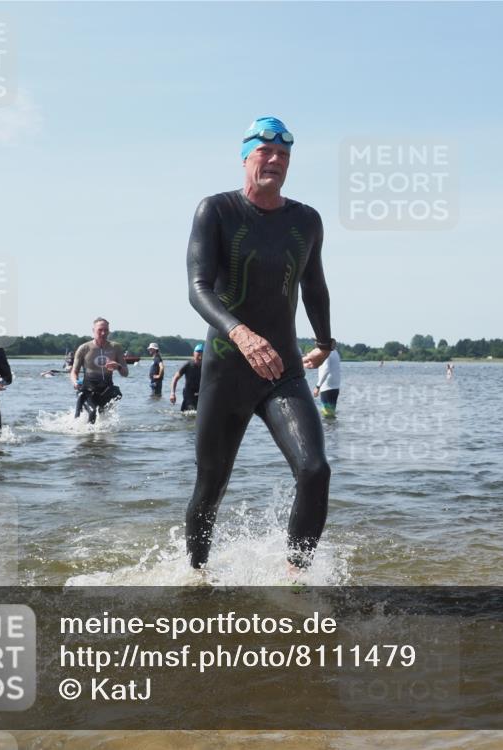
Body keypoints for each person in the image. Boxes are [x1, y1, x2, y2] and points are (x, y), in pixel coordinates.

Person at [185, 116, 333, 572]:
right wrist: (241, 334)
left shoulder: (306, 220)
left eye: (284, 155)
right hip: (227, 369)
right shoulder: (217, 210)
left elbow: (314, 286)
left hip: (282, 370)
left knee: (315, 470)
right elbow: (198, 287)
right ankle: (196, 577)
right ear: (246, 157)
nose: (275, 161)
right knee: (211, 483)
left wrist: (325, 341)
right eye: (265, 153)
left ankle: (296, 575)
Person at [70, 317, 129, 424]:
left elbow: (125, 373)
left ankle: (101, 439)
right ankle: (88, 439)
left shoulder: (116, 347)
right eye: (100, 330)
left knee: (104, 417)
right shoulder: (84, 348)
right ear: (93, 330)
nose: (103, 333)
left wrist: (118, 366)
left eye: (106, 330)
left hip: (106, 389)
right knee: (92, 413)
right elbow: (74, 372)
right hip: (89, 390)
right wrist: (75, 382)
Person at [170, 343, 204, 412]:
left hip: (200, 393)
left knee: (198, 413)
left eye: (202, 355)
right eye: (198, 355)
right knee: (190, 412)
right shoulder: (188, 365)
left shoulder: (206, 366)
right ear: (194, 354)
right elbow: (175, 378)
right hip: (188, 393)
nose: (200, 358)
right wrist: (172, 393)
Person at [311, 348, 341, 418]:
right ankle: (333, 428)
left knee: (327, 415)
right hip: (335, 386)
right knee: (331, 413)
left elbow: (326, 369)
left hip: (327, 386)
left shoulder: (325, 352)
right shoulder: (335, 351)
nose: (316, 343)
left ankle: (329, 429)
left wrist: (318, 386)